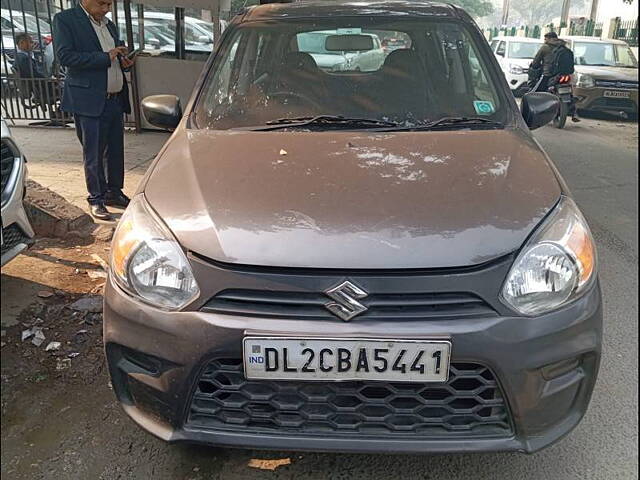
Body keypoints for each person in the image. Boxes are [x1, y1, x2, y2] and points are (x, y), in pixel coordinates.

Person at [53, 0, 134, 220]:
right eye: (102, 3)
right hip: (89, 100)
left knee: (115, 150)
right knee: (94, 152)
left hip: (115, 98)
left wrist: (122, 59)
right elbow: (65, 57)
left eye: (109, 4)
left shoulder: (108, 24)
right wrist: (106, 56)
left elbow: (114, 53)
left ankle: (114, 192)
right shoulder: (66, 20)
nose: (107, 8)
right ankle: (96, 198)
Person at [530, 31, 580, 122]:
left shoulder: (545, 47)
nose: (545, 41)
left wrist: (533, 67)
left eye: (546, 39)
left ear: (549, 39)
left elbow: (536, 61)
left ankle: (535, 112)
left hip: (548, 75)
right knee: (570, 93)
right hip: (565, 75)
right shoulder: (564, 47)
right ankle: (574, 113)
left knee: (537, 93)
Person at [13, 32, 59, 111]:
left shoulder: (22, 56)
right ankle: (61, 112)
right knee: (66, 89)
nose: (33, 44)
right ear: (22, 43)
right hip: (42, 89)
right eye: (30, 42)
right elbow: (34, 74)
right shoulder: (24, 59)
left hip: (39, 87)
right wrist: (49, 78)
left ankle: (60, 112)